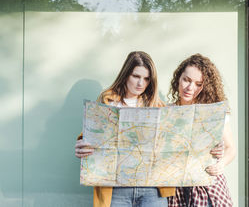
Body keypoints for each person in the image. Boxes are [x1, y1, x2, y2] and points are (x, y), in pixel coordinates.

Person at [75, 51, 175, 207]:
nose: (140, 83)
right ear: (126, 74)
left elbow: (172, 144)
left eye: (146, 78)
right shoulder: (107, 101)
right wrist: (81, 144)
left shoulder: (158, 106)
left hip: (151, 189)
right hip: (116, 189)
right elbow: (90, 135)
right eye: (136, 76)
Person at [167, 54, 236, 207]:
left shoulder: (213, 113)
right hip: (176, 188)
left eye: (198, 84)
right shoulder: (166, 112)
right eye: (186, 80)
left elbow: (231, 148)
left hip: (207, 186)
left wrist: (221, 163)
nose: (190, 88)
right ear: (178, 78)